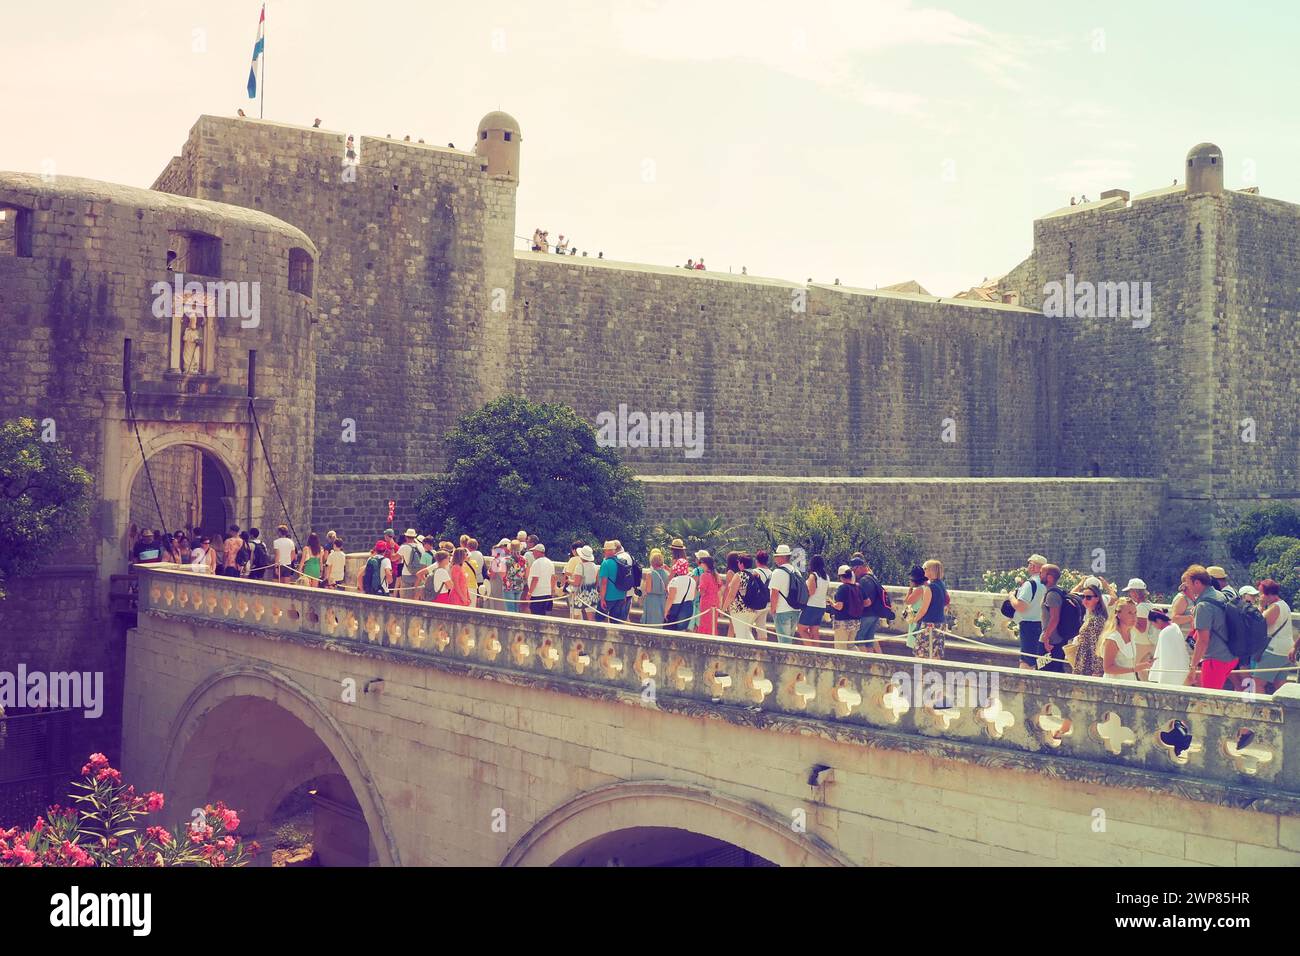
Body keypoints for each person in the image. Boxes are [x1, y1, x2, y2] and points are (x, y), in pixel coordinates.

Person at [1183, 564, 1237, 690]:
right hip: (1231, 654)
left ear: (1197, 583)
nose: (1187, 587)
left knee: (1209, 699)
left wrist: (1193, 666)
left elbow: (1203, 641)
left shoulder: (1203, 606)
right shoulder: (1220, 595)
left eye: (1188, 584)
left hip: (1216, 659)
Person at [1008, 554, 1047, 669]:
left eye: (1029, 564)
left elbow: (1020, 606)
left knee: (1026, 660)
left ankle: (1024, 684)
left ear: (1033, 567)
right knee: (1038, 660)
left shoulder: (1030, 584)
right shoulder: (1046, 583)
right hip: (1042, 624)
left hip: (1028, 625)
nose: (1028, 567)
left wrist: (1011, 597)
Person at [1257, 579, 1294, 693]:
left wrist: (1261, 605)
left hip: (1274, 650)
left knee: (1257, 683)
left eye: (1261, 593)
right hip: (1286, 649)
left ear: (1267, 594)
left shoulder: (1274, 607)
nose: (1260, 596)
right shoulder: (1284, 605)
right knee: (1280, 684)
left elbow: (1259, 624)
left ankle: (1260, 710)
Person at [908, 559, 948, 659]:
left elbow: (923, 609)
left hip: (928, 624)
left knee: (921, 654)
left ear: (930, 571)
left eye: (924, 569)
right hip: (940, 623)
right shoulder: (942, 585)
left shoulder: (930, 588)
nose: (923, 571)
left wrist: (914, 620)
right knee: (936, 654)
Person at [1070, 581, 1108, 678]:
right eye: (1083, 597)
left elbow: (1097, 645)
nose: (1085, 600)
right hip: (1083, 660)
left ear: (1097, 599)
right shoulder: (1091, 616)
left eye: (1088, 597)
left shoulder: (1097, 619)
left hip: (1089, 666)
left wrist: (1097, 670)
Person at [1100, 598, 1145, 680]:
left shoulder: (1131, 634)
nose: (1134, 616)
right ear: (1119, 614)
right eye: (1129, 613)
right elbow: (1108, 668)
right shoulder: (1112, 639)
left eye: (1135, 613)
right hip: (1114, 687)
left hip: (1129, 683)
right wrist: (1133, 669)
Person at [1036, 564, 1069, 672]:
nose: (1039, 575)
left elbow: (1055, 618)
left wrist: (1046, 638)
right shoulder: (1058, 591)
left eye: (1041, 573)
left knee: (1043, 672)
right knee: (1056, 670)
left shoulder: (1052, 595)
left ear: (1049, 577)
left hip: (1050, 642)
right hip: (1056, 639)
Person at [1147, 607, 1191, 685]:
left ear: (1158, 620)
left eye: (1153, 623)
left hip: (1171, 674)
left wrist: (1161, 677)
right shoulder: (1175, 626)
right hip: (1182, 670)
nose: (1154, 626)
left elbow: (1164, 658)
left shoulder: (1165, 632)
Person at [767, 545, 801, 644]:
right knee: (789, 640)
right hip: (795, 610)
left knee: (784, 642)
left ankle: (785, 659)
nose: (775, 559)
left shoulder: (777, 572)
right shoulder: (796, 571)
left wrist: (773, 610)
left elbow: (774, 593)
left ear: (781, 557)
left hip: (782, 611)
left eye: (777, 557)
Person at [852, 555, 885, 654]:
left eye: (854, 569)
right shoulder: (872, 577)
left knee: (859, 639)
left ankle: (866, 664)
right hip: (874, 613)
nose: (854, 572)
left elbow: (864, 600)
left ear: (860, 567)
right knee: (869, 641)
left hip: (867, 614)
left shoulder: (864, 581)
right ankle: (873, 664)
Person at [723, 553, 761, 640]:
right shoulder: (755, 574)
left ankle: (745, 652)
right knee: (746, 632)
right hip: (751, 608)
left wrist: (724, 608)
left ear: (741, 564)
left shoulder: (739, 575)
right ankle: (754, 651)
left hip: (739, 609)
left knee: (740, 634)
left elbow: (731, 595)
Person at [828, 565, 864, 651]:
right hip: (855, 621)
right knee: (850, 646)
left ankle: (840, 664)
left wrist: (832, 603)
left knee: (840, 647)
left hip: (843, 622)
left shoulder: (842, 588)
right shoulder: (858, 587)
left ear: (841, 577)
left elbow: (839, 607)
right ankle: (860, 661)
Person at [797, 555, 831, 645]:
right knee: (814, 631)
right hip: (821, 606)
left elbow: (811, 592)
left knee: (801, 629)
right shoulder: (826, 577)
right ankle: (817, 653)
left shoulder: (813, 576)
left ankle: (810, 650)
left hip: (811, 606)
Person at [597, 540, 632, 623]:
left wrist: (602, 599)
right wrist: (624, 596)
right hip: (621, 596)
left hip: (609, 597)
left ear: (607, 551)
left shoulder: (605, 563)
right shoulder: (622, 562)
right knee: (615, 621)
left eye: (605, 550)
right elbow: (625, 580)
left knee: (599, 618)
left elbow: (604, 583)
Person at [664, 558, 697, 631]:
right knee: (682, 630)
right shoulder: (692, 580)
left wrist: (665, 611)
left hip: (676, 608)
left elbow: (671, 598)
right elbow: (694, 595)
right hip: (688, 607)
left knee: (671, 630)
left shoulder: (675, 581)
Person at [570, 545, 601, 622]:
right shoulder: (595, 566)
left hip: (580, 594)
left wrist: (569, 581)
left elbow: (576, 583)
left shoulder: (580, 566)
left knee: (575, 617)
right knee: (591, 618)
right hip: (592, 594)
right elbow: (597, 582)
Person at [641, 550, 670, 626]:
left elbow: (648, 590)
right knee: (659, 621)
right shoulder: (667, 574)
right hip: (662, 599)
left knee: (650, 621)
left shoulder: (650, 574)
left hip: (652, 600)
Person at [695, 555, 723, 635]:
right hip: (715, 602)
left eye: (701, 563)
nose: (700, 565)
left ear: (705, 564)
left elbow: (702, 591)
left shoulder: (704, 575)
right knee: (713, 624)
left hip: (706, 603)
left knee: (704, 623)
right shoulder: (716, 575)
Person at [525, 544, 555, 615]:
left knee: (536, 616)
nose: (533, 553)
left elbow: (535, 579)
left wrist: (529, 593)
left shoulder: (536, 563)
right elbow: (553, 578)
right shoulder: (550, 562)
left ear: (538, 552)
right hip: (547, 593)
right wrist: (552, 591)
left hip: (537, 594)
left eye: (534, 551)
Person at [903, 565, 927, 651]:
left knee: (916, 648)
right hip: (920, 618)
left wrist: (910, 589)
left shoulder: (919, 590)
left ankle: (917, 665)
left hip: (917, 620)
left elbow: (907, 601)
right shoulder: (926, 588)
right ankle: (918, 665)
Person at [503, 540, 528, 613]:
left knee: (510, 609)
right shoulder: (524, 560)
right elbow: (526, 575)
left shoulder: (506, 560)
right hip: (519, 585)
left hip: (508, 586)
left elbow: (503, 574)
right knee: (517, 609)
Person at [397, 530, 423, 598]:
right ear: (414, 537)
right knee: (416, 599)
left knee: (405, 599)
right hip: (418, 575)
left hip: (406, 575)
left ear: (406, 537)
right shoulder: (420, 547)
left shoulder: (404, 547)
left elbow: (394, 558)